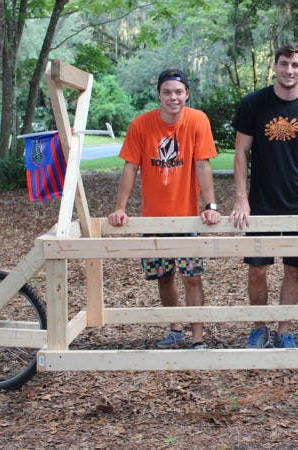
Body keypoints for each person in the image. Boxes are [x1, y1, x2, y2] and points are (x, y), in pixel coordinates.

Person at [229, 43, 298, 349]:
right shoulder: (253, 104)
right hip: (262, 202)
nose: (289, 70)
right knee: (257, 268)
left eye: (295, 65)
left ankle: (284, 330)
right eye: (284, 63)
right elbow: (240, 153)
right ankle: (260, 328)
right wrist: (241, 199)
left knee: (293, 268)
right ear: (275, 66)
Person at [107, 68, 221, 350]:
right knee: (164, 275)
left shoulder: (197, 120)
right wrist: (120, 208)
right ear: (158, 95)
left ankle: (197, 337)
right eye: (167, 92)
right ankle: (175, 328)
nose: (173, 97)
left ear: (187, 94)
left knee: (192, 276)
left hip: (187, 218)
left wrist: (210, 205)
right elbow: (131, 166)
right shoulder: (141, 125)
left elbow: (203, 164)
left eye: (179, 92)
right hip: (153, 219)